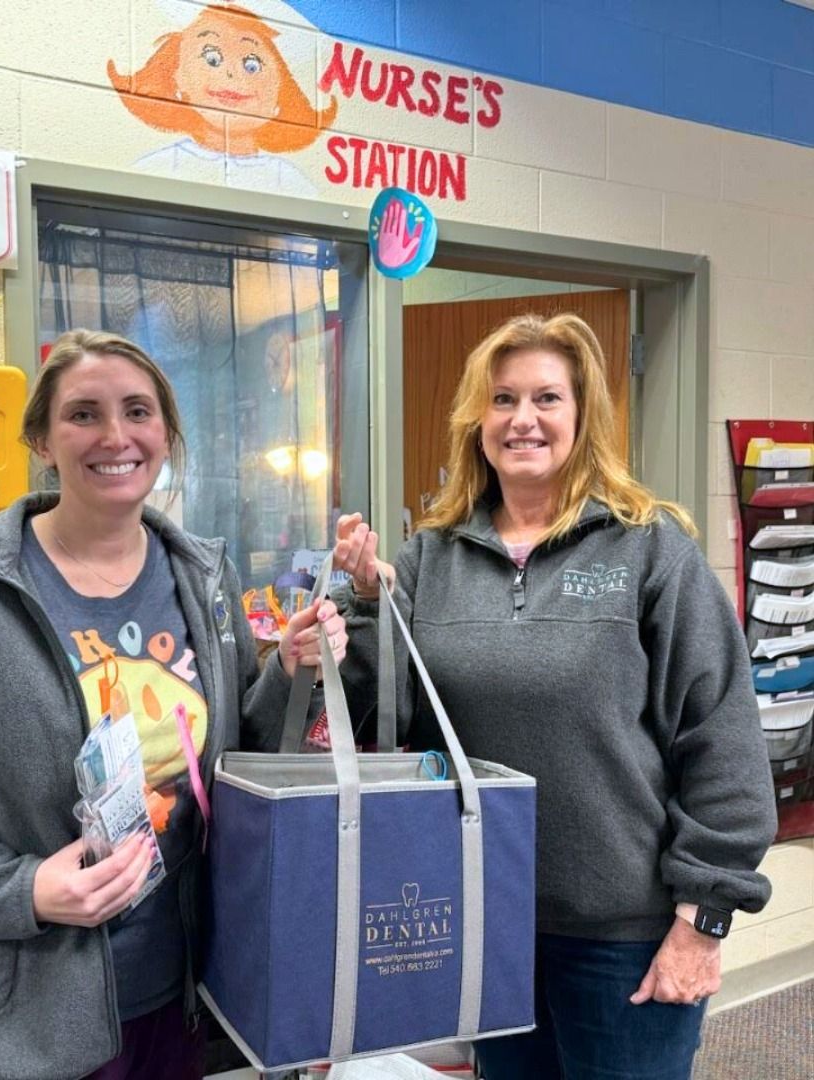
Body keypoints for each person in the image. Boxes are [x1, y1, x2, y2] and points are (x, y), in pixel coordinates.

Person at [0, 330, 346, 1080]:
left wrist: (293, 673)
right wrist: (24, 889)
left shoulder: (204, 578)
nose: (115, 436)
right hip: (5, 1024)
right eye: (84, 415)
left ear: (166, 433)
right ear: (41, 438)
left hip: (173, 1003)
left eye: (138, 411)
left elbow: (232, 764)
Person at [332, 313, 777, 1080]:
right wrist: (362, 610)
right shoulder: (430, 557)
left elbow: (722, 737)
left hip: (625, 935)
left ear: (583, 417)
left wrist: (702, 921)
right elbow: (387, 718)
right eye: (503, 399)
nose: (523, 419)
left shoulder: (650, 548)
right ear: (478, 420)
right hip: (488, 921)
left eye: (547, 398)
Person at [108, 3, 336, 196]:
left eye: (252, 64)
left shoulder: (289, 181)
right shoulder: (160, 167)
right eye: (212, 58)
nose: (231, 74)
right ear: (177, 75)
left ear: (281, 87)